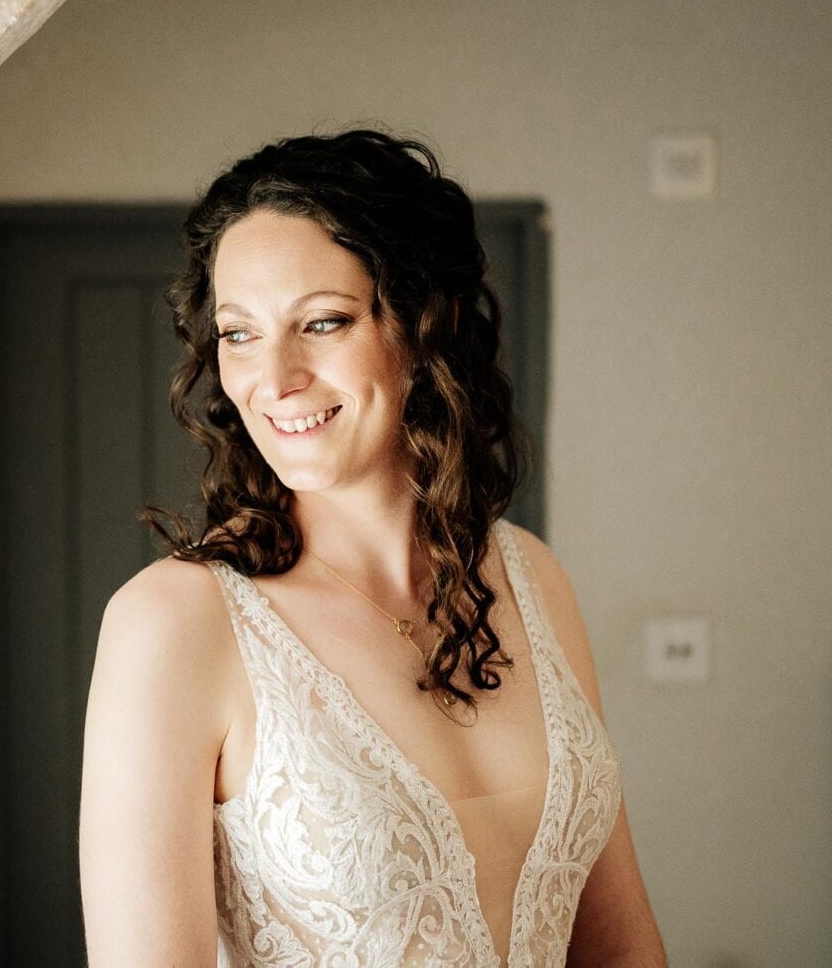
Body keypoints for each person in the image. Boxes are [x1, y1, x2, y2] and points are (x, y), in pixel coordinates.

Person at [78, 128, 666, 966]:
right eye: (238, 333)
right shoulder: (174, 624)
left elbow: (622, 948)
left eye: (321, 323)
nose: (273, 379)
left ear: (429, 326)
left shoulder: (532, 576)